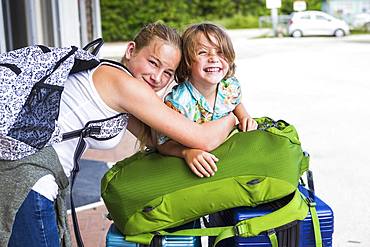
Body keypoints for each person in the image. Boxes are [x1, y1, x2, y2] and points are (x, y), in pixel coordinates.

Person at [0, 23, 236, 247]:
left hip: (25, 177)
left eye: (167, 73)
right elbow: (203, 138)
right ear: (131, 50)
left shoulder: (114, 80)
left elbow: (156, 140)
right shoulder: (124, 85)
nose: (157, 77)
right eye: (153, 63)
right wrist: (233, 116)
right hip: (26, 180)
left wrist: (185, 150)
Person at [156, 23, 257, 178]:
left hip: (226, 159)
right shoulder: (178, 102)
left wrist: (244, 116)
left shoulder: (229, 85)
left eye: (220, 52)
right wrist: (187, 152)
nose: (213, 59)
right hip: (196, 168)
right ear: (188, 61)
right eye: (203, 52)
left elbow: (235, 102)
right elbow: (162, 144)